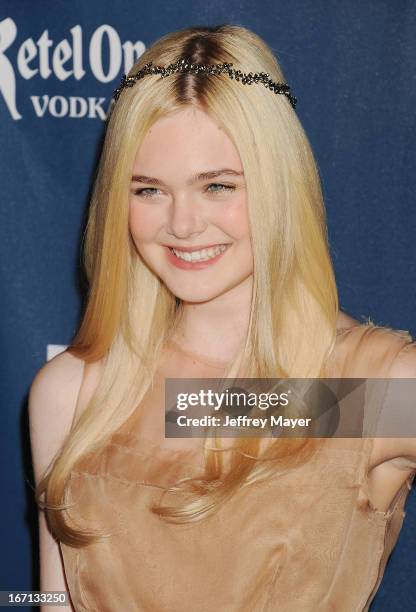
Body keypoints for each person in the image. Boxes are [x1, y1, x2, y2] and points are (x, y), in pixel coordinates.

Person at [28, 24, 416, 612]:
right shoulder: (77, 394)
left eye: (216, 186)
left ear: (277, 183)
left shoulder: (361, 389)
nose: (182, 224)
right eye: (149, 190)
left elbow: (243, 404)